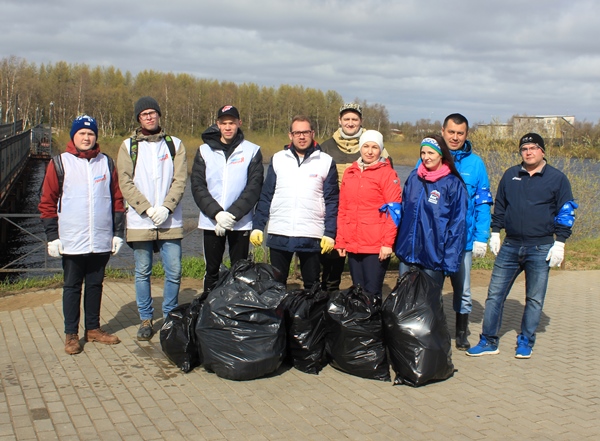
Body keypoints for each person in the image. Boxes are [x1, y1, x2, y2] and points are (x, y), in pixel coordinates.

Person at [467, 133, 577, 359]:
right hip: (510, 246)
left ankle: (526, 340)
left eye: (533, 147)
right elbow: (500, 206)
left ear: (542, 151)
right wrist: (495, 233)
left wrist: (560, 242)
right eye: (524, 148)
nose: (528, 152)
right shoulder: (510, 175)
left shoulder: (557, 178)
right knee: (495, 294)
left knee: (535, 298)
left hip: (541, 247)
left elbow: (566, 211)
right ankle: (489, 340)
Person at [39, 115, 124, 355]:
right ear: (73, 136)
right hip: (71, 239)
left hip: (100, 238)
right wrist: (51, 236)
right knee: (72, 286)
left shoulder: (106, 163)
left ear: (96, 137)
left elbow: (117, 200)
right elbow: (47, 201)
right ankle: (71, 334)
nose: (86, 138)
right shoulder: (59, 163)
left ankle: (94, 329)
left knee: (95, 284)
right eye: (82, 134)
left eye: (90, 134)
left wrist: (118, 232)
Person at [117, 96, 187, 341]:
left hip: (170, 221)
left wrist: (167, 208)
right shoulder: (128, 146)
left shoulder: (175, 144)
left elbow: (180, 180)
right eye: (144, 114)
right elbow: (124, 181)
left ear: (159, 115)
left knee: (174, 270)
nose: (149, 117)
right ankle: (146, 319)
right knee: (143, 271)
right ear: (138, 118)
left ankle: (169, 316)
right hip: (140, 220)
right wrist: (145, 209)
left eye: (152, 112)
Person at [250, 115, 339, 289]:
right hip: (279, 232)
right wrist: (258, 226)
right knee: (276, 285)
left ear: (312, 133)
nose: (302, 136)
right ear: (290, 135)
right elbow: (266, 195)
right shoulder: (278, 159)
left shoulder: (326, 161)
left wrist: (330, 232)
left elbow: (332, 200)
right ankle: (280, 316)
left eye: (305, 132)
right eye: (297, 132)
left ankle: (309, 316)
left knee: (312, 285)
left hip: (312, 235)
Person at [319, 103, 392, 292]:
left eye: (354, 119)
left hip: (369, 223)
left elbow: (390, 196)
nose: (350, 123)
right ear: (339, 121)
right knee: (331, 266)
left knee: (367, 283)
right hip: (338, 213)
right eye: (346, 119)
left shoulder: (378, 149)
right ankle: (330, 304)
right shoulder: (326, 147)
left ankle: (364, 313)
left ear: (361, 122)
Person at [191, 105, 263, 293]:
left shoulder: (252, 151)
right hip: (211, 222)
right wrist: (217, 214)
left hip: (240, 223)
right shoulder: (204, 151)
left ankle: (237, 315)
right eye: (224, 123)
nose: (228, 127)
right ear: (218, 125)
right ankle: (209, 312)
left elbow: (253, 188)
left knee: (240, 271)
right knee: (212, 271)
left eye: (232, 123)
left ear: (239, 123)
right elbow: (198, 186)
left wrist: (231, 215)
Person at [439, 113, 493, 350]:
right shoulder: (430, 156)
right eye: (451, 132)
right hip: (436, 240)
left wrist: (482, 237)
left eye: (460, 133)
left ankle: (461, 332)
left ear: (466, 135)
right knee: (432, 288)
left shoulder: (476, 164)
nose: (455, 137)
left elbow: (483, 202)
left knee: (463, 289)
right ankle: (435, 329)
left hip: (464, 241)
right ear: (443, 131)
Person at [335, 130, 401, 301]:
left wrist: (387, 243)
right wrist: (341, 240)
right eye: (366, 146)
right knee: (358, 292)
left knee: (372, 293)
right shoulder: (350, 172)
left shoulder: (387, 174)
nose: (369, 151)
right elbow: (343, 209)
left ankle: (375, 326)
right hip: (353, 243)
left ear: (380, 150)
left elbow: (394, 212)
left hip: (375, 246)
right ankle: (359, 327)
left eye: (374, 147)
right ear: (360, 147)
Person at [395, 135, 468, 290]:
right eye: (423, 153)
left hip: (433, 256)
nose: (426, 157)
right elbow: (403, 211)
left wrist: (450, 260)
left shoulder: (453, 184)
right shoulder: (415, 177)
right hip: (408, 254)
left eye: (431, 153)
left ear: (441, 154)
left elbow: (457, 225)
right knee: (403, 299)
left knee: (428, 305)